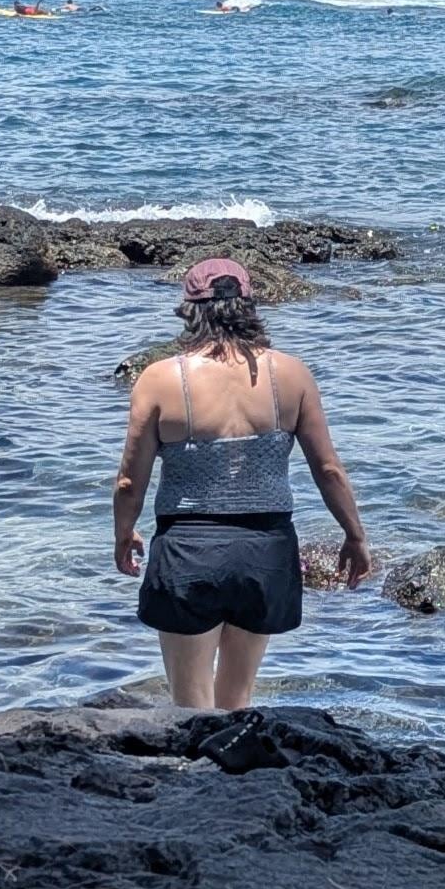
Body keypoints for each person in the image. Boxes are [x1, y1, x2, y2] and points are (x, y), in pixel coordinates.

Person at [113, 259, 372, 710]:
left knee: (190, 704)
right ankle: (237, 780)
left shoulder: (159, 379)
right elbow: (328, 469)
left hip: (189, 549)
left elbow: (130, 481)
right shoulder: (291, 375)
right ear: (249, 305)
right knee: (237, 698)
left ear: (189, 310)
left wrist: (124, 533)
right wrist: (354, 534)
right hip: (266, 551)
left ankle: (192, 777)